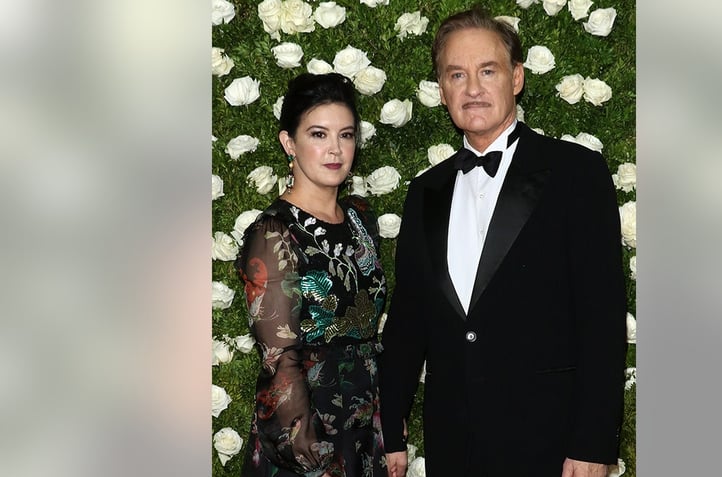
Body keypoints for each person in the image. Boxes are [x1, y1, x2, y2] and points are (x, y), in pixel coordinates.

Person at [378, 7, 627, 477]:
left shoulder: (576, 173)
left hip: (551, 447)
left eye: (487, 70)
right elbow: (410, 318)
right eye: (457, 74)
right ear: (442, 90)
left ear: (516, 78)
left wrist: (593, 443)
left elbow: (602, 318)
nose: (472, 88)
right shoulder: (424, 192)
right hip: (455, 445)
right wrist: (390, 426)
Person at [235, 73, 388, 477]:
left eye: (346, 134)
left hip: (364, 423)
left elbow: (372, 334)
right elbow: (279, 360)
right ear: (290, 142)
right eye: (319, 134)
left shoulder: (361, 218)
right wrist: (313, 453)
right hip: (306, 428)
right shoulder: (273, 233)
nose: (335, 149)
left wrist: (385, 419)